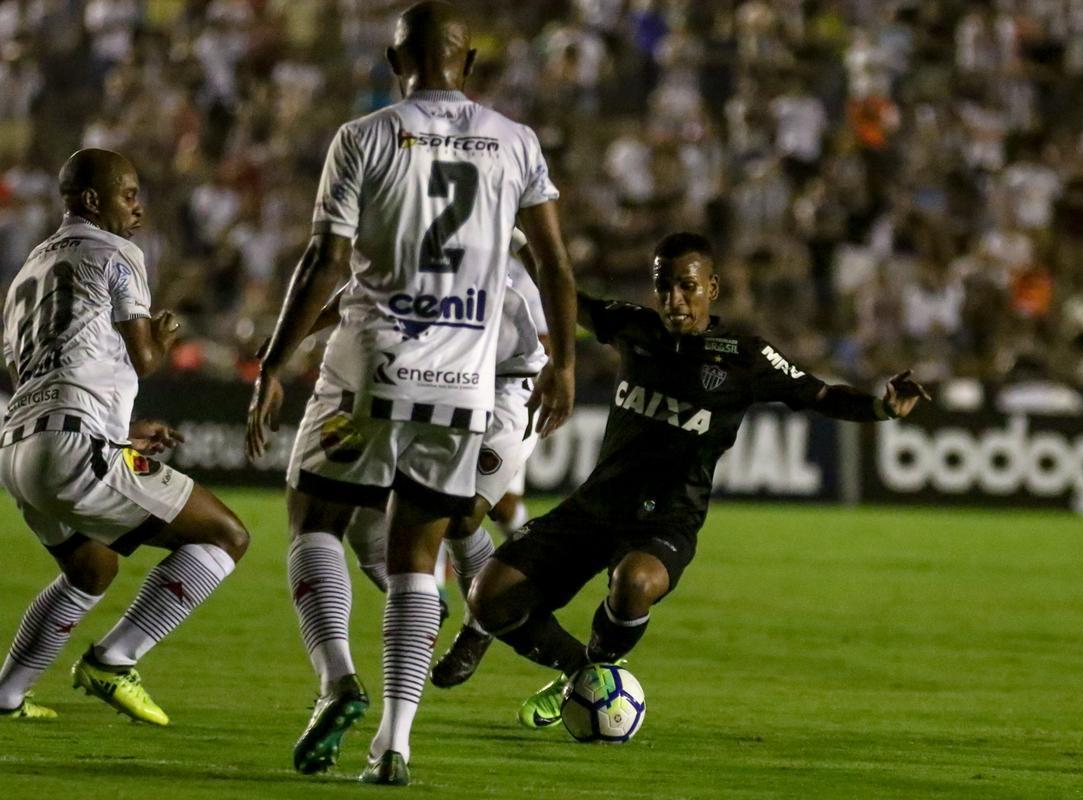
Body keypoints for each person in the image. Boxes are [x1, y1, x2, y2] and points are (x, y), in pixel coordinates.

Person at [244, 1, 576, 786]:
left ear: (395, 66)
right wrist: (565, 363)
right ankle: (394, 742)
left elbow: (324, 260)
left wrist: (272, 362)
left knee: (315, 514)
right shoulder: (516, 142)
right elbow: (557, 267)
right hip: (461, 383)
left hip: (370, 365)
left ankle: (335, 678)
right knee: (417, 557)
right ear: (468, 65)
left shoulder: (363, 138)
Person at [467, 231, 931, 728]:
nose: (674, 299)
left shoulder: (744, 357)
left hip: (666, 520)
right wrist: (521, 248)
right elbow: (566, 298)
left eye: (687, 286)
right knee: (488, 597)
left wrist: (882, 408)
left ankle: (587, 679)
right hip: (595, 506)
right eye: (663, 286)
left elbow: (819, 396)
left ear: (713, 288)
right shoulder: (633, 327)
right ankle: (584, 674)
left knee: (635, 581)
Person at [0, 148, 250, 725]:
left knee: (92, 570)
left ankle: (7, 693)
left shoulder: (28, 270)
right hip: (68, 447)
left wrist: (118, 431)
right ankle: (114, 659)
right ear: (93, 200)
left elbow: (42, 368)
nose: (137, 207)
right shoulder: (117, 252)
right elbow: (144, 359)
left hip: (18, 447)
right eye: (128, 194)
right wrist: (160, 339)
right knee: (226, 536)